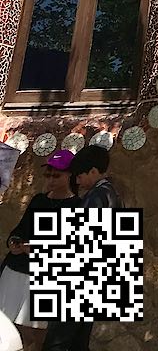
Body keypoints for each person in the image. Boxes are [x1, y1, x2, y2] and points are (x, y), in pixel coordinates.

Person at [42, 146, 120, 351]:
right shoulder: (110, 195)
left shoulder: (96, 197)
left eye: (80, 175)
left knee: (57, 340)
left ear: (93, 171)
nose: (77, 181)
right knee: (79, 340)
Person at [0, 149, 78, 349]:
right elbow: (21, 229)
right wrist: (15, 243)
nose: (51, 180)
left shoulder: (77, 206)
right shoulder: (39, 200)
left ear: (70, 175)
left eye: (57, 175)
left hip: (46, 278)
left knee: (40, 335)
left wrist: (39, 249)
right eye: (48, 175)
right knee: (10, 332)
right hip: (17, 274)